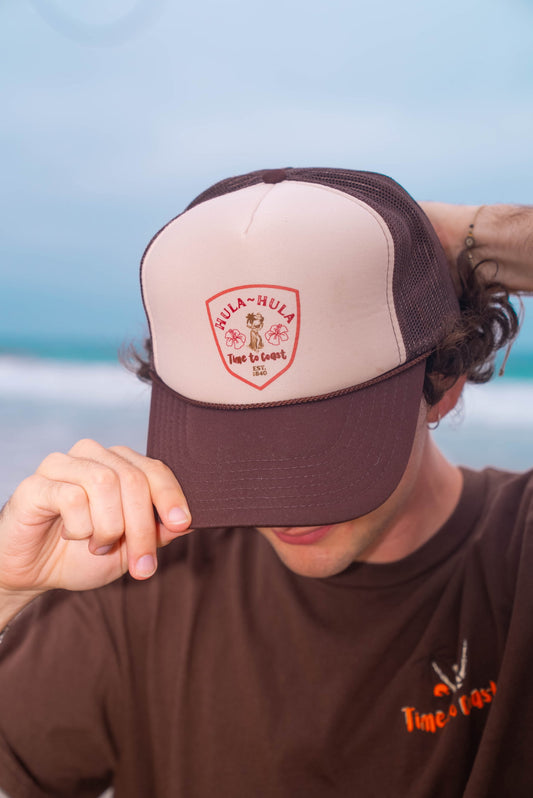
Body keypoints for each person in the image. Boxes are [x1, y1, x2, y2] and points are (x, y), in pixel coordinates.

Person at [0, 167, 531, 798]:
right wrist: (5, 588)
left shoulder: (517, 553)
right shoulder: (141, 575)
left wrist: (479, 237)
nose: (280, 503)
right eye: (237, 442)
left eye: (321, 437)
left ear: (444, 381)